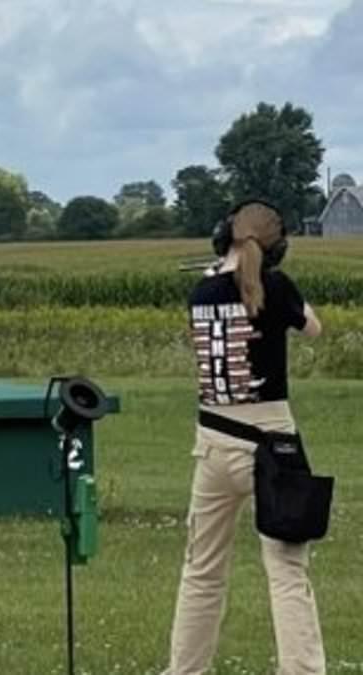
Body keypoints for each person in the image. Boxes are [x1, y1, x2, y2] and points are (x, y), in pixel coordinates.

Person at [164, 200, 325, 675]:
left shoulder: (201, 292)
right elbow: (313, 328)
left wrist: (223, 277)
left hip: (213, 442)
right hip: (273, 444)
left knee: (201, 570)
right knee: (287, 572)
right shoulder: (277, 287)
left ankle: (185, 669)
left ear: (223, 236)